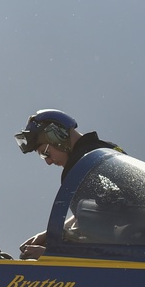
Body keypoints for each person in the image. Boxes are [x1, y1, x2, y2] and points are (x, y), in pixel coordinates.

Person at [13, 109, 123, 259]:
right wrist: (51, 233)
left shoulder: (80, 165)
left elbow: (94, 238)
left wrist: (50, 254)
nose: (48, 162)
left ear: (56, 136)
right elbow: (98, 210)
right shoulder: (105, 149)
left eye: (45, 153)